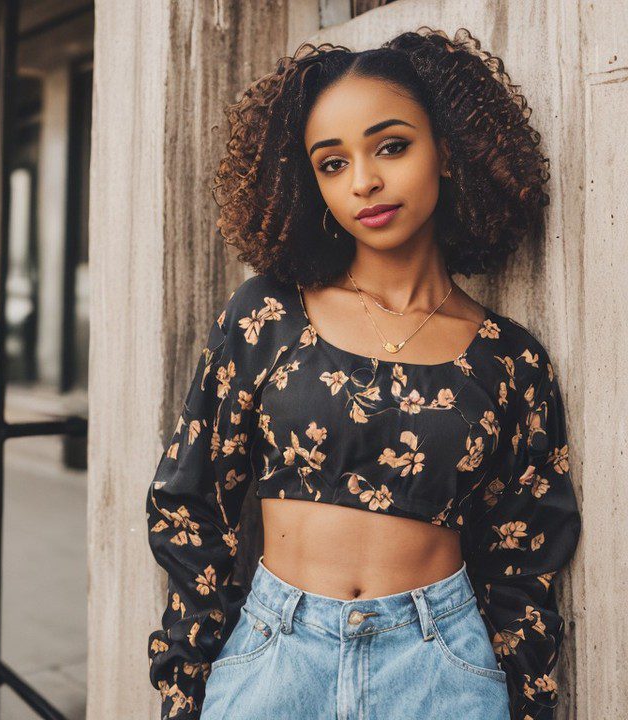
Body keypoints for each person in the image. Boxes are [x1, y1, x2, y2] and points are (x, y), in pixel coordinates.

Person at [146, 27, 581, 720]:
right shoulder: (266, 316)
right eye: (331, 163)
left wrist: (525, 699)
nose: (364, 182)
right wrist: (185, 680)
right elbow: (192, 501)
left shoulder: (511, 361)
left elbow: (522, 560)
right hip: (275, 659)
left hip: (441, 668)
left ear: (448, 152)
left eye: (392, 146)